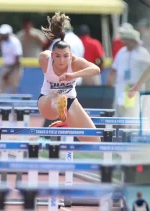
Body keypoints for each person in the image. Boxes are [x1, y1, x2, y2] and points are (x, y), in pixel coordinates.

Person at [38, 12, 100, 142]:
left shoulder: (75, 61)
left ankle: (61, 106)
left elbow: (96, 69)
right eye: (58, 56)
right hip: (47, 100)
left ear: (71, 56)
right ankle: (56, 102)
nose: (61, 61)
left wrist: (73, 75)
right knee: (55, 107)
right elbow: (47, 53)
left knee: (95, 140)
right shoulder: (45, 59)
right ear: (53, 55)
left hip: (70, 100)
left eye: (66, 56)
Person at [0, 24, 23, 94]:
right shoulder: (3, 42)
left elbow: (17, 59)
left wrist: (8, 72)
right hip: (5, 66)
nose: (2, 35)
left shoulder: (15, 42)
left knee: (13, 89)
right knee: (0, 88)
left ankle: (16, 105)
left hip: (14, 69)